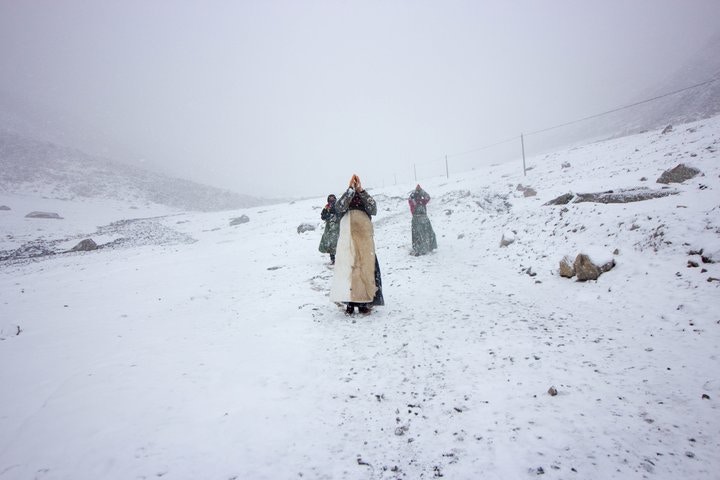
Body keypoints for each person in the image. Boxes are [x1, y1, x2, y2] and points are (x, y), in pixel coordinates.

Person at [330, 174, 384, 315]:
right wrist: (350, 190)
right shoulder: (345, 199)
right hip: (348, 237)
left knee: (366, 268)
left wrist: (361, 191)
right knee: (349, 268)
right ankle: (349, 303)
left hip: (364, 238)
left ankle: (364, 302)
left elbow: (374, 209)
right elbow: (339, 207)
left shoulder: (364, 197)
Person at [408, 184, 437, 256]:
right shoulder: (417, 201)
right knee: (421, 235)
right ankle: (422, 249)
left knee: (424, 234)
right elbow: (426, 197)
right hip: (419, 219)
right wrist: (418, 191)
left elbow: (428, 197)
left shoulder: (420, 201)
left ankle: (425, 248)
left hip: (422, 218)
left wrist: (421, 191)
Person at [318, 194, 339, 264]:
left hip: (338, 226)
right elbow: (322, 216)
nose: (331, 200)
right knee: (330, 242)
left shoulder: (338, 206)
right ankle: (333, 259)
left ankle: (341, 257)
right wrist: (328, 216)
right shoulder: (326, 207)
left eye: (333, 198)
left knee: (338, 242)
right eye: (330, 198)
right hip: (329, 227)